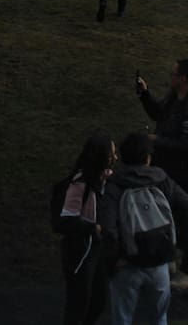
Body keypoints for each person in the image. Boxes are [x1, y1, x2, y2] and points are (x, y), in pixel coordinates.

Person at [101, 133, 188, 325]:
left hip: (127, 265)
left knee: (122, 318)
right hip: (159, 263)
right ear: (148, 157)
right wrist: (175, 241)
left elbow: (108, 228)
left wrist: (114, 259)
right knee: (158, 318)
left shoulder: (115, 185)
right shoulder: (162, 180)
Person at [135, 59, 188, 290]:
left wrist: (158, 141)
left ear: (183, 78)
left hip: (182, 173)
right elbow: (159, 114)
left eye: (173, 73)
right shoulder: (175, 98)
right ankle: (171, 260)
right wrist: (145, 95)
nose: (171, 76)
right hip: (165, 169)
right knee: (169, 216)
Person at [56, 134, 116, 325]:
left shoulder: (103, 180)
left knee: (98, 300)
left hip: (95, 248)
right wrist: (93, 227)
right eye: (111, 154)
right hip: (81, 250)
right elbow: (67, 219)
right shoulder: (80, 184)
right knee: (79, 302)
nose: (115, 158)